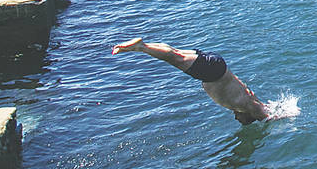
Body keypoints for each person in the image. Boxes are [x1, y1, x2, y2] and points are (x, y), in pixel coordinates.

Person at [113, 37, 272, 124]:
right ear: (248, 115)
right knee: (176, 58)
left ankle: (145, 44)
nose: (236, 119)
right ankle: (141, 47)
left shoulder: (246, 100)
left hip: (215, 67)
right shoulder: (248, 105)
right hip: (213, 73)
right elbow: (266, 115)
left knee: (176, 54)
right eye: (241, 120)